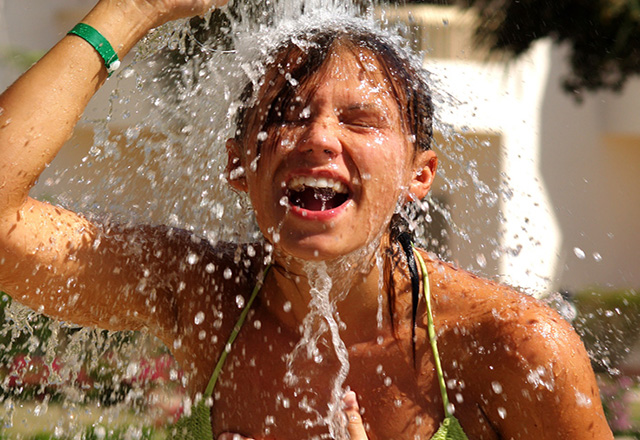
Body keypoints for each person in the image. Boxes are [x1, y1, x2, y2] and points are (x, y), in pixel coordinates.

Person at [0, 0, 614, 439]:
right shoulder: (197, 297)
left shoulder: (513, 348)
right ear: (239, 164)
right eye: (285, 112)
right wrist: (129, 11)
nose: (318, 137)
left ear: (417, 176)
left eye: (360, 119)